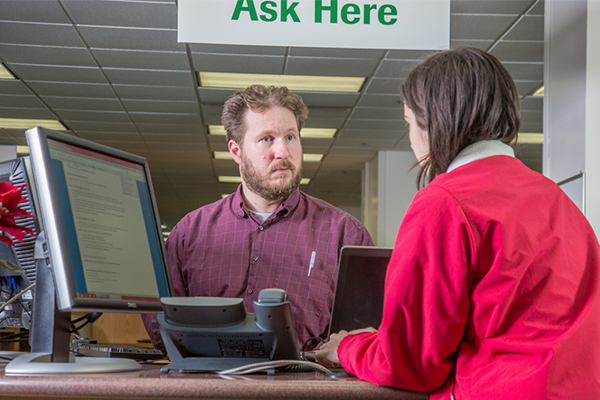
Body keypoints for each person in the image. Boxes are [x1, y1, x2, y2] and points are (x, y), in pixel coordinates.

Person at [316, 47, 600, 399]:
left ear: (434, 119)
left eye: (409, 123)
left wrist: (347, 347)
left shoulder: (444, 202)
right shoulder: (556, 199)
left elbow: (409, 363)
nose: (410, 138)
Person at [142, 85, 373, 353]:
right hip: (209, 388)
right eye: (267, 139)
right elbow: (161, 327)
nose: (283, 152)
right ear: (236, 151)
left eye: (290, 137)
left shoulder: (346, 235)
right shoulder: (189, 233)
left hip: (303, 389)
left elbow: (365, 336)